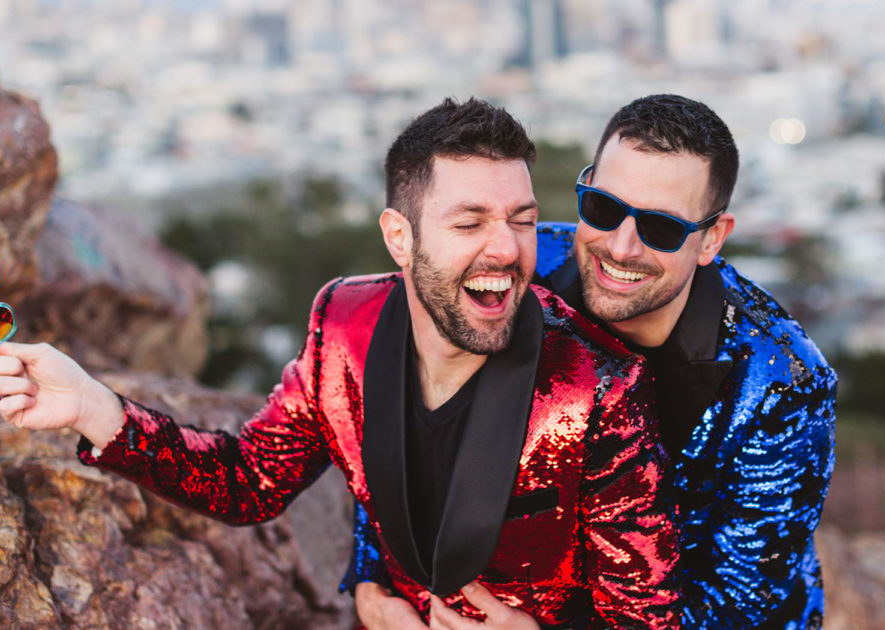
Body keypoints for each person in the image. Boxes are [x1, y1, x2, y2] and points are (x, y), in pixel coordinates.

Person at [0, 97, 680, 628]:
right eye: (469, 223)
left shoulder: (599, 388)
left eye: (522, 219)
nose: (507, 249)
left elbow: (649, 615)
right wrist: (96, 408)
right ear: (399, 239)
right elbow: (246, 482)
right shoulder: (343, 324)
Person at [347, 94, 837, 629]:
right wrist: (373, 581)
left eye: (663, 228)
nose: (622, 247)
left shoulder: (780, 382)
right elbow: (409, 406)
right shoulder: (520, 267)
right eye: (603, 209)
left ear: (710, 240)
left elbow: (741, 597)